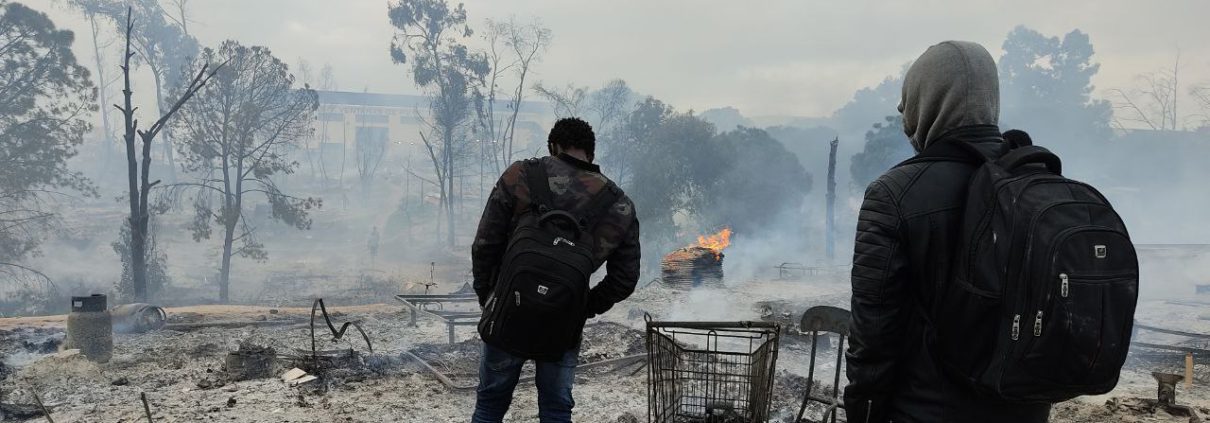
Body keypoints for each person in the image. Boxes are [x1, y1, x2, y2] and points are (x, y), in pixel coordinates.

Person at [843, 41, 1052, 422]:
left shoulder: (893, 195)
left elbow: (873, 338)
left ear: (927, 102)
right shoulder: (1037, 183)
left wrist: (862, 414)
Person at [470, 117, 641, 423]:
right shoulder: (620, 206)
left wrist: (489, 294)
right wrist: (583, 307)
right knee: (556, 409)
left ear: (553, 146)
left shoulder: (520, 174)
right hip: (563, 322)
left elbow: (485, 243)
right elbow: (624, 279)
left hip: (509, 311)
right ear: (590, 152)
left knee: (489, 406)